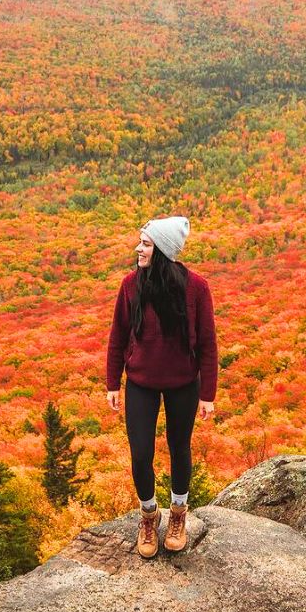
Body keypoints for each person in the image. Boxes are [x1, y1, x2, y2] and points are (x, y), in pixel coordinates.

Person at [105, 215, 218, 559]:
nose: (138, 248)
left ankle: (179, 514)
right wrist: (113, 383)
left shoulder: (196, 288)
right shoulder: (130, 285)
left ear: (164, 251)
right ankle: (149, 515)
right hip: (141, 381)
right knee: (141, 453)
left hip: (184, 382)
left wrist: (207, 394)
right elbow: (118, 335)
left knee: (179, 447)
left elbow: (208, 344)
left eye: (146, 243)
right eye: (140, 242)